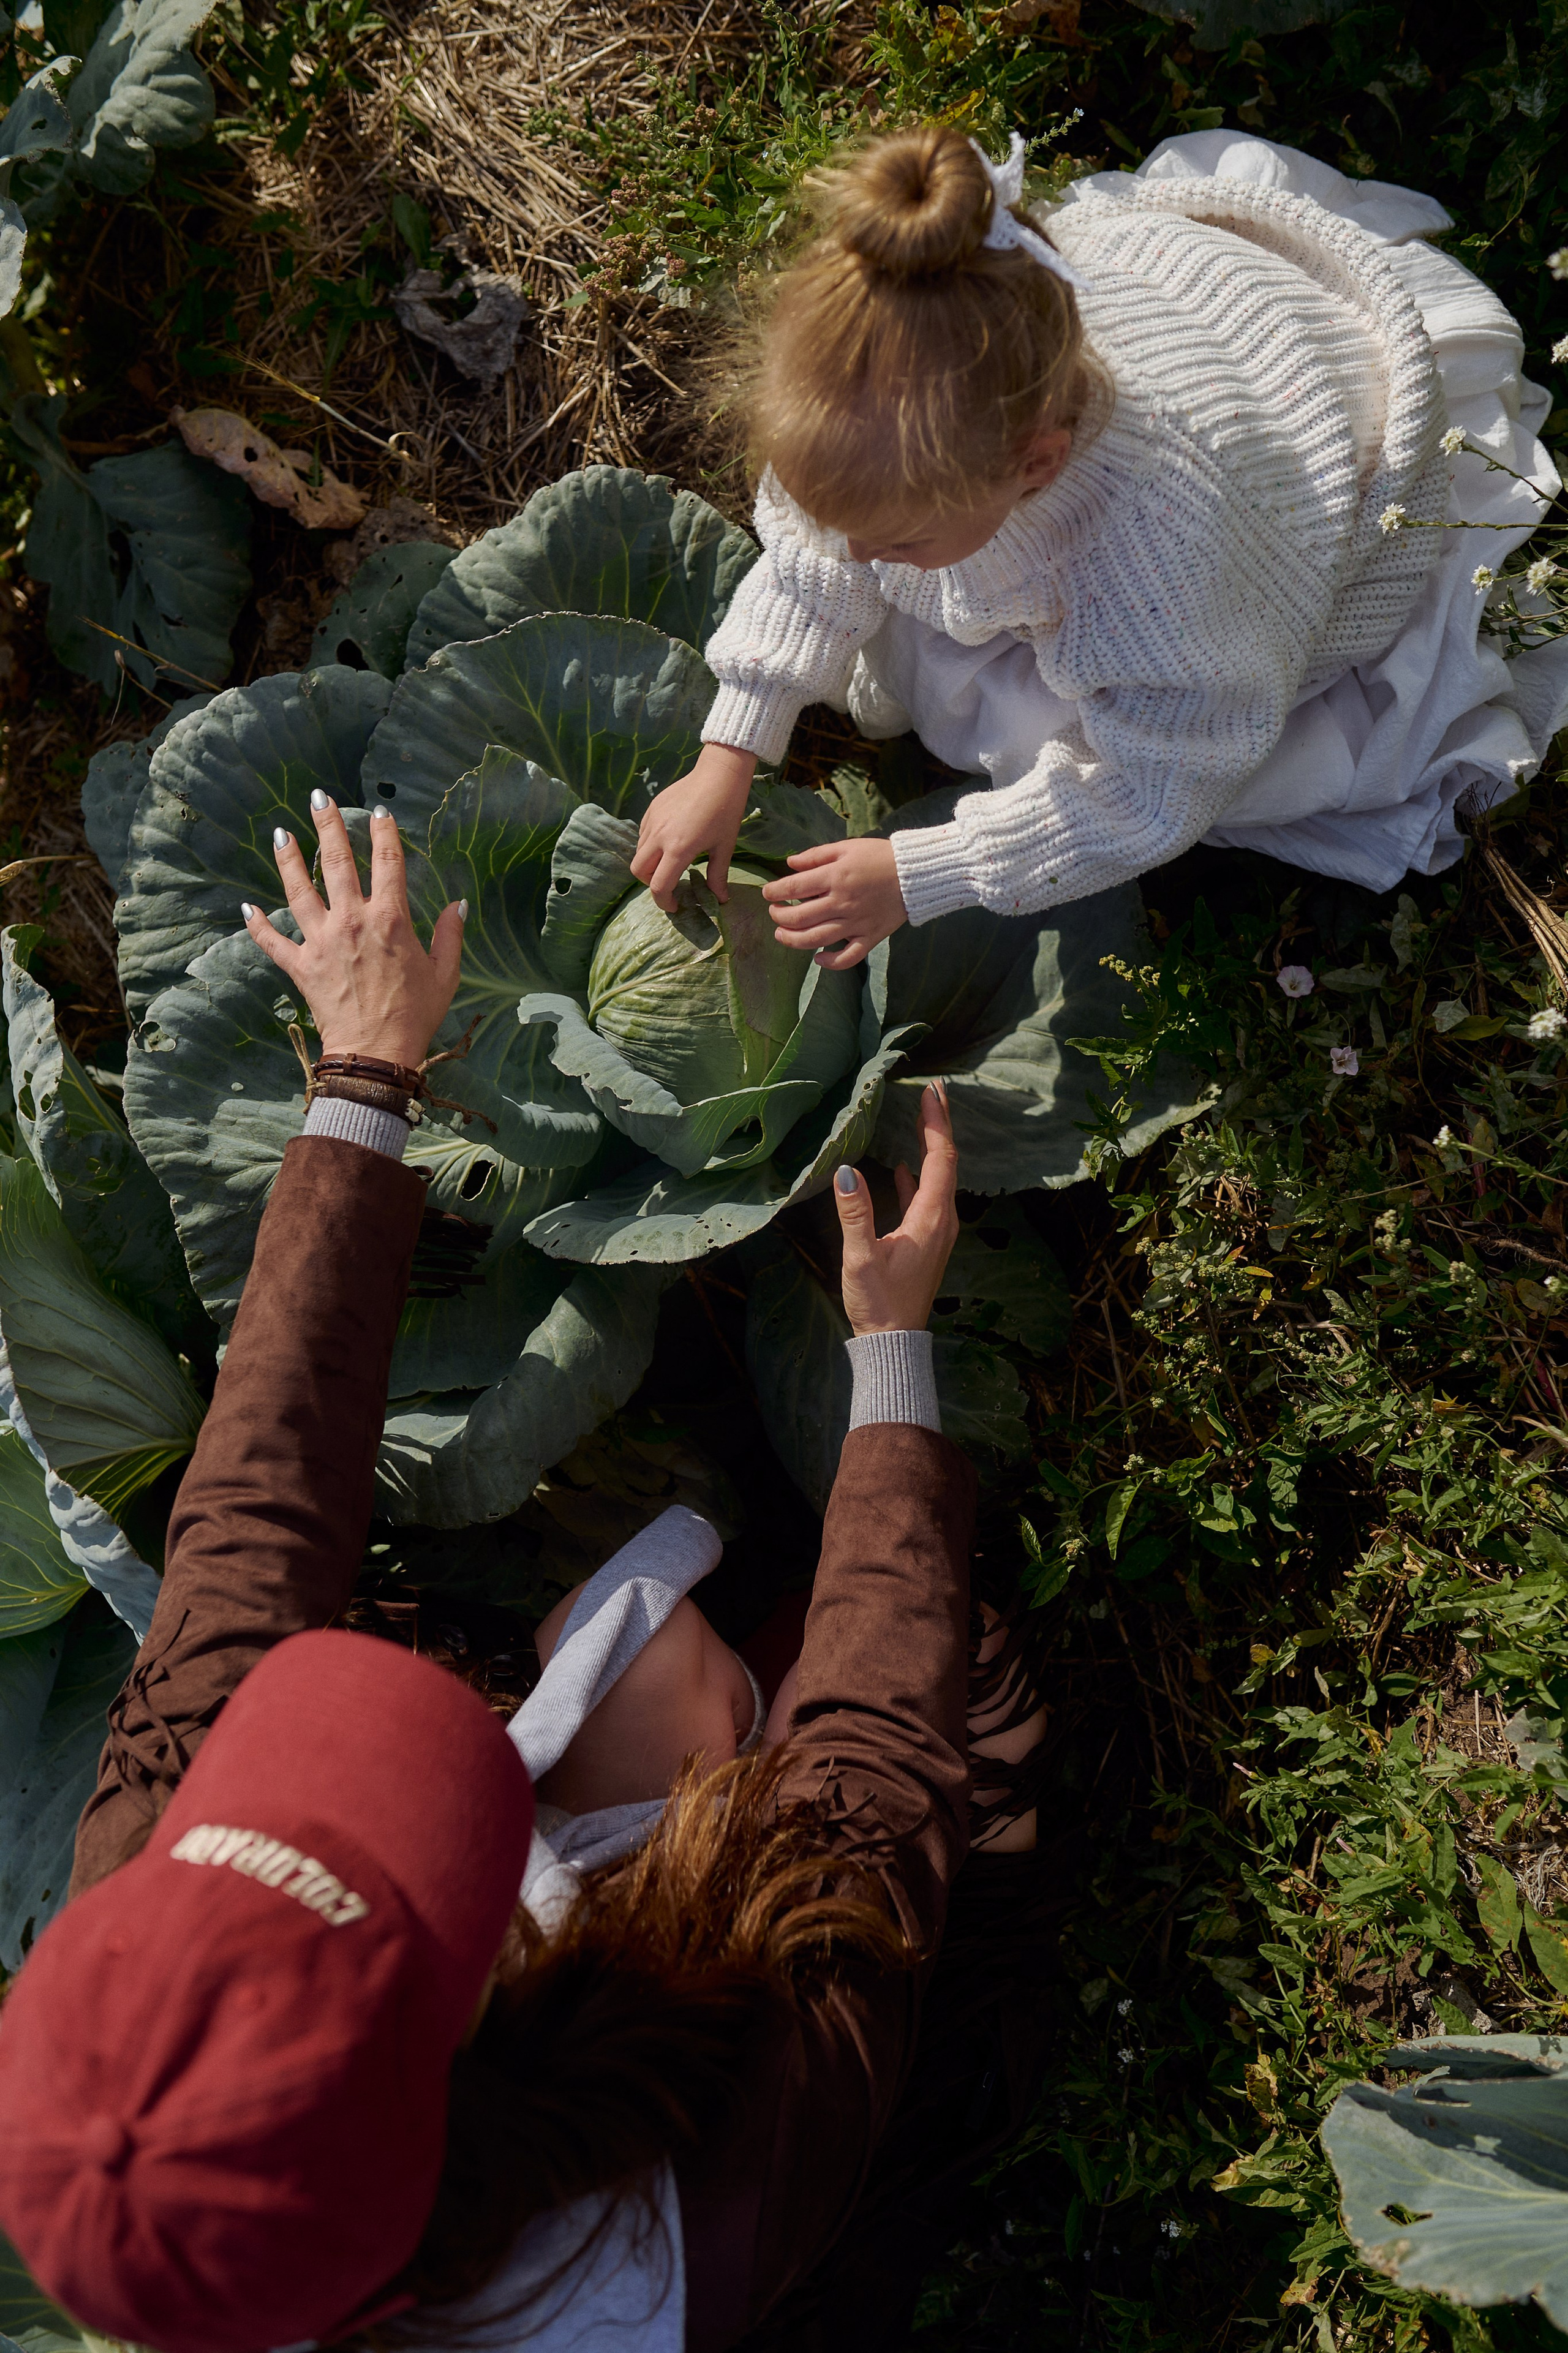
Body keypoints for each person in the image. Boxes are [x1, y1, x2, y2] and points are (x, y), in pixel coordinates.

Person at [0, 798, 1050, 2353]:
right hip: (805, 2024)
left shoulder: (152, 2019)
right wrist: (889, 1361)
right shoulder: (708, 2200)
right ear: (479, 2039)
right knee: (945, 1694)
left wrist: (363, 1082)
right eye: (442, 1894)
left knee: (630, 1660)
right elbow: (871, 1797)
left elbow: (245, 1552)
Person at [630, 122, 1568, 969]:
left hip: (1293, 500)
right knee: (902, 619)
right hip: (1175, 349)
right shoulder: (953, 360)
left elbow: (1152, 792)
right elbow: (816, 551)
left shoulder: (1162, 563)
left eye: (900, 538)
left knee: (1061, 733)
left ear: (1036, 466)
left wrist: (924, 872)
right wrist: (733, 744)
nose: (859, 556)